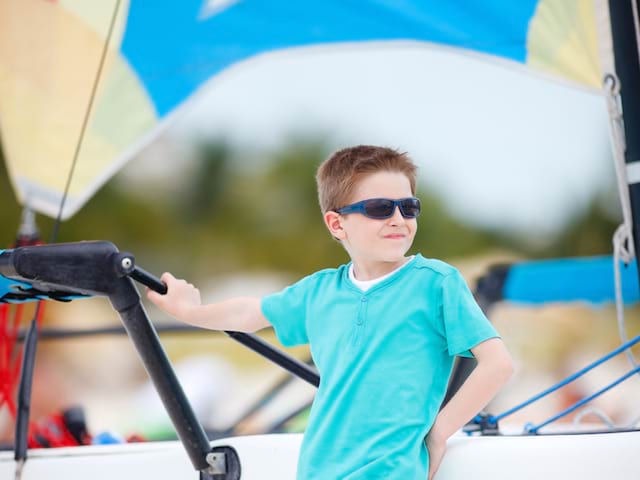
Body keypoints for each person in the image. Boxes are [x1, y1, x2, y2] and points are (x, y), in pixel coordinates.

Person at [147, 145, 514, 480]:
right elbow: (250, 312)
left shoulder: (435, 283)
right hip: (317, 469)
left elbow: (497, 364)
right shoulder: (320, 290)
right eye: (379, 209)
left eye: (409, 207)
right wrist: (192, 311)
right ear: (337, 224)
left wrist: (438, 434)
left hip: (391, 471)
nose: (399, 219)